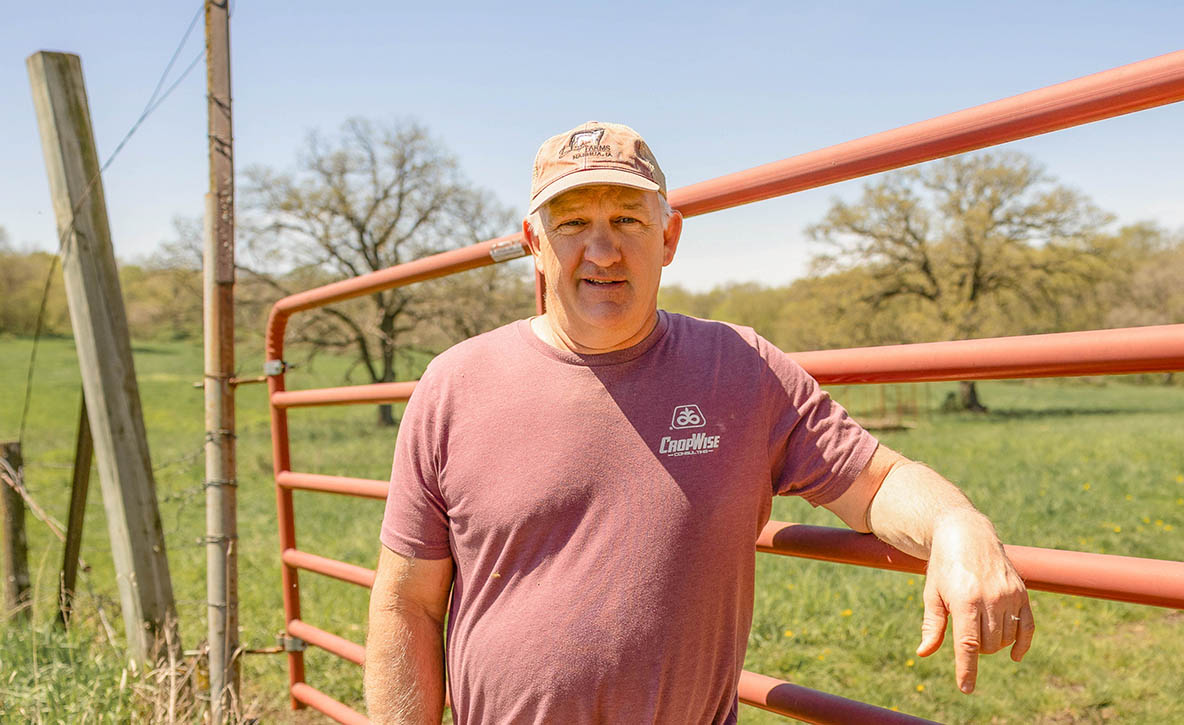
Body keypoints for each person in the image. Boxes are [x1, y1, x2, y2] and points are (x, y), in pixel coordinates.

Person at [364, 121, 1033, 724]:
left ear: (669, 238)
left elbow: (877, 481)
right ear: (535, 243)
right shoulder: (453, 385)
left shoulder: (741, 368)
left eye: (627, 219)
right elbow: (406, 604)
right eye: (572, 224)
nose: (602, 251)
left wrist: (957, 524)